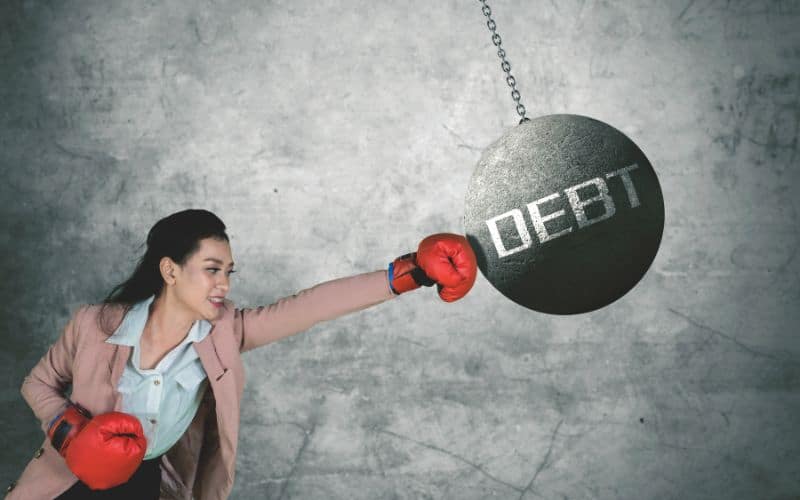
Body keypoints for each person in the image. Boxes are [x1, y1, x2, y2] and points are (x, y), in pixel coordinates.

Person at [6, 209, 477, 499]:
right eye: (211, 270)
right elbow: (37, 383)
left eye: (228, 271)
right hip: (64, 482)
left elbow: (309, 307)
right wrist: (72, 433)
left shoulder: (226, 333)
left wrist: (410, 273)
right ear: (169, 270)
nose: (224, 284)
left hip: (147, 489)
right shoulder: (95, 324)